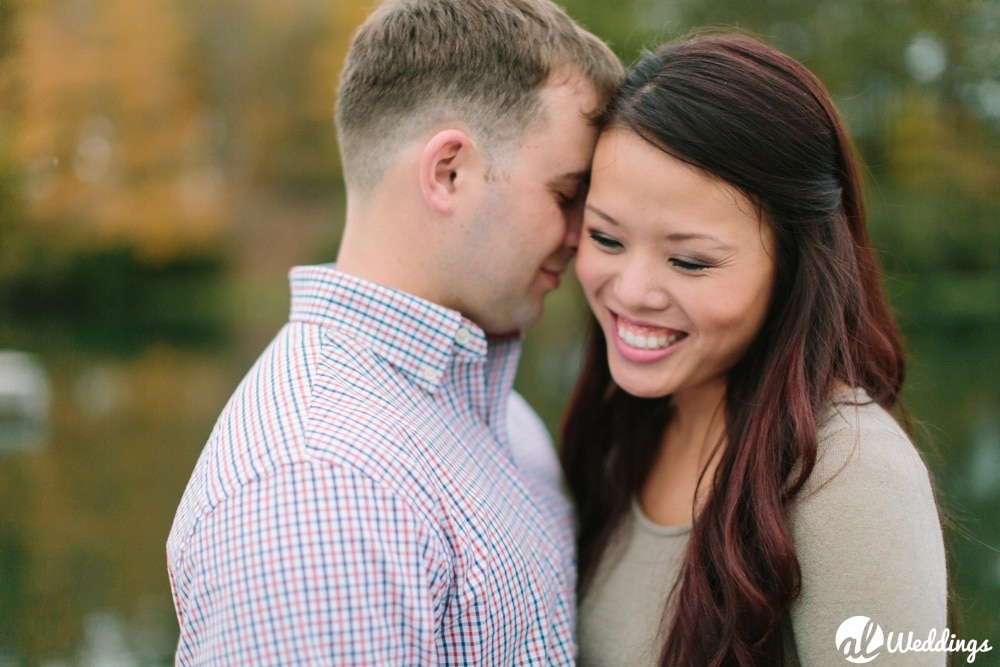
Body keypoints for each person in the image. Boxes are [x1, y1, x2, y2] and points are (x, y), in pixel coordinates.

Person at [166, 0, 623, 663]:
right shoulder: (321, 486)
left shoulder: (502, 418)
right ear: (449, 173)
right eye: (564, 194)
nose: (582, 239)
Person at [561, 33, 948, 666]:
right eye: (605, 239)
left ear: (796, 265)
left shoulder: (849, 475)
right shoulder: (622, 430)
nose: (629, 291)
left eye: (688, 261)